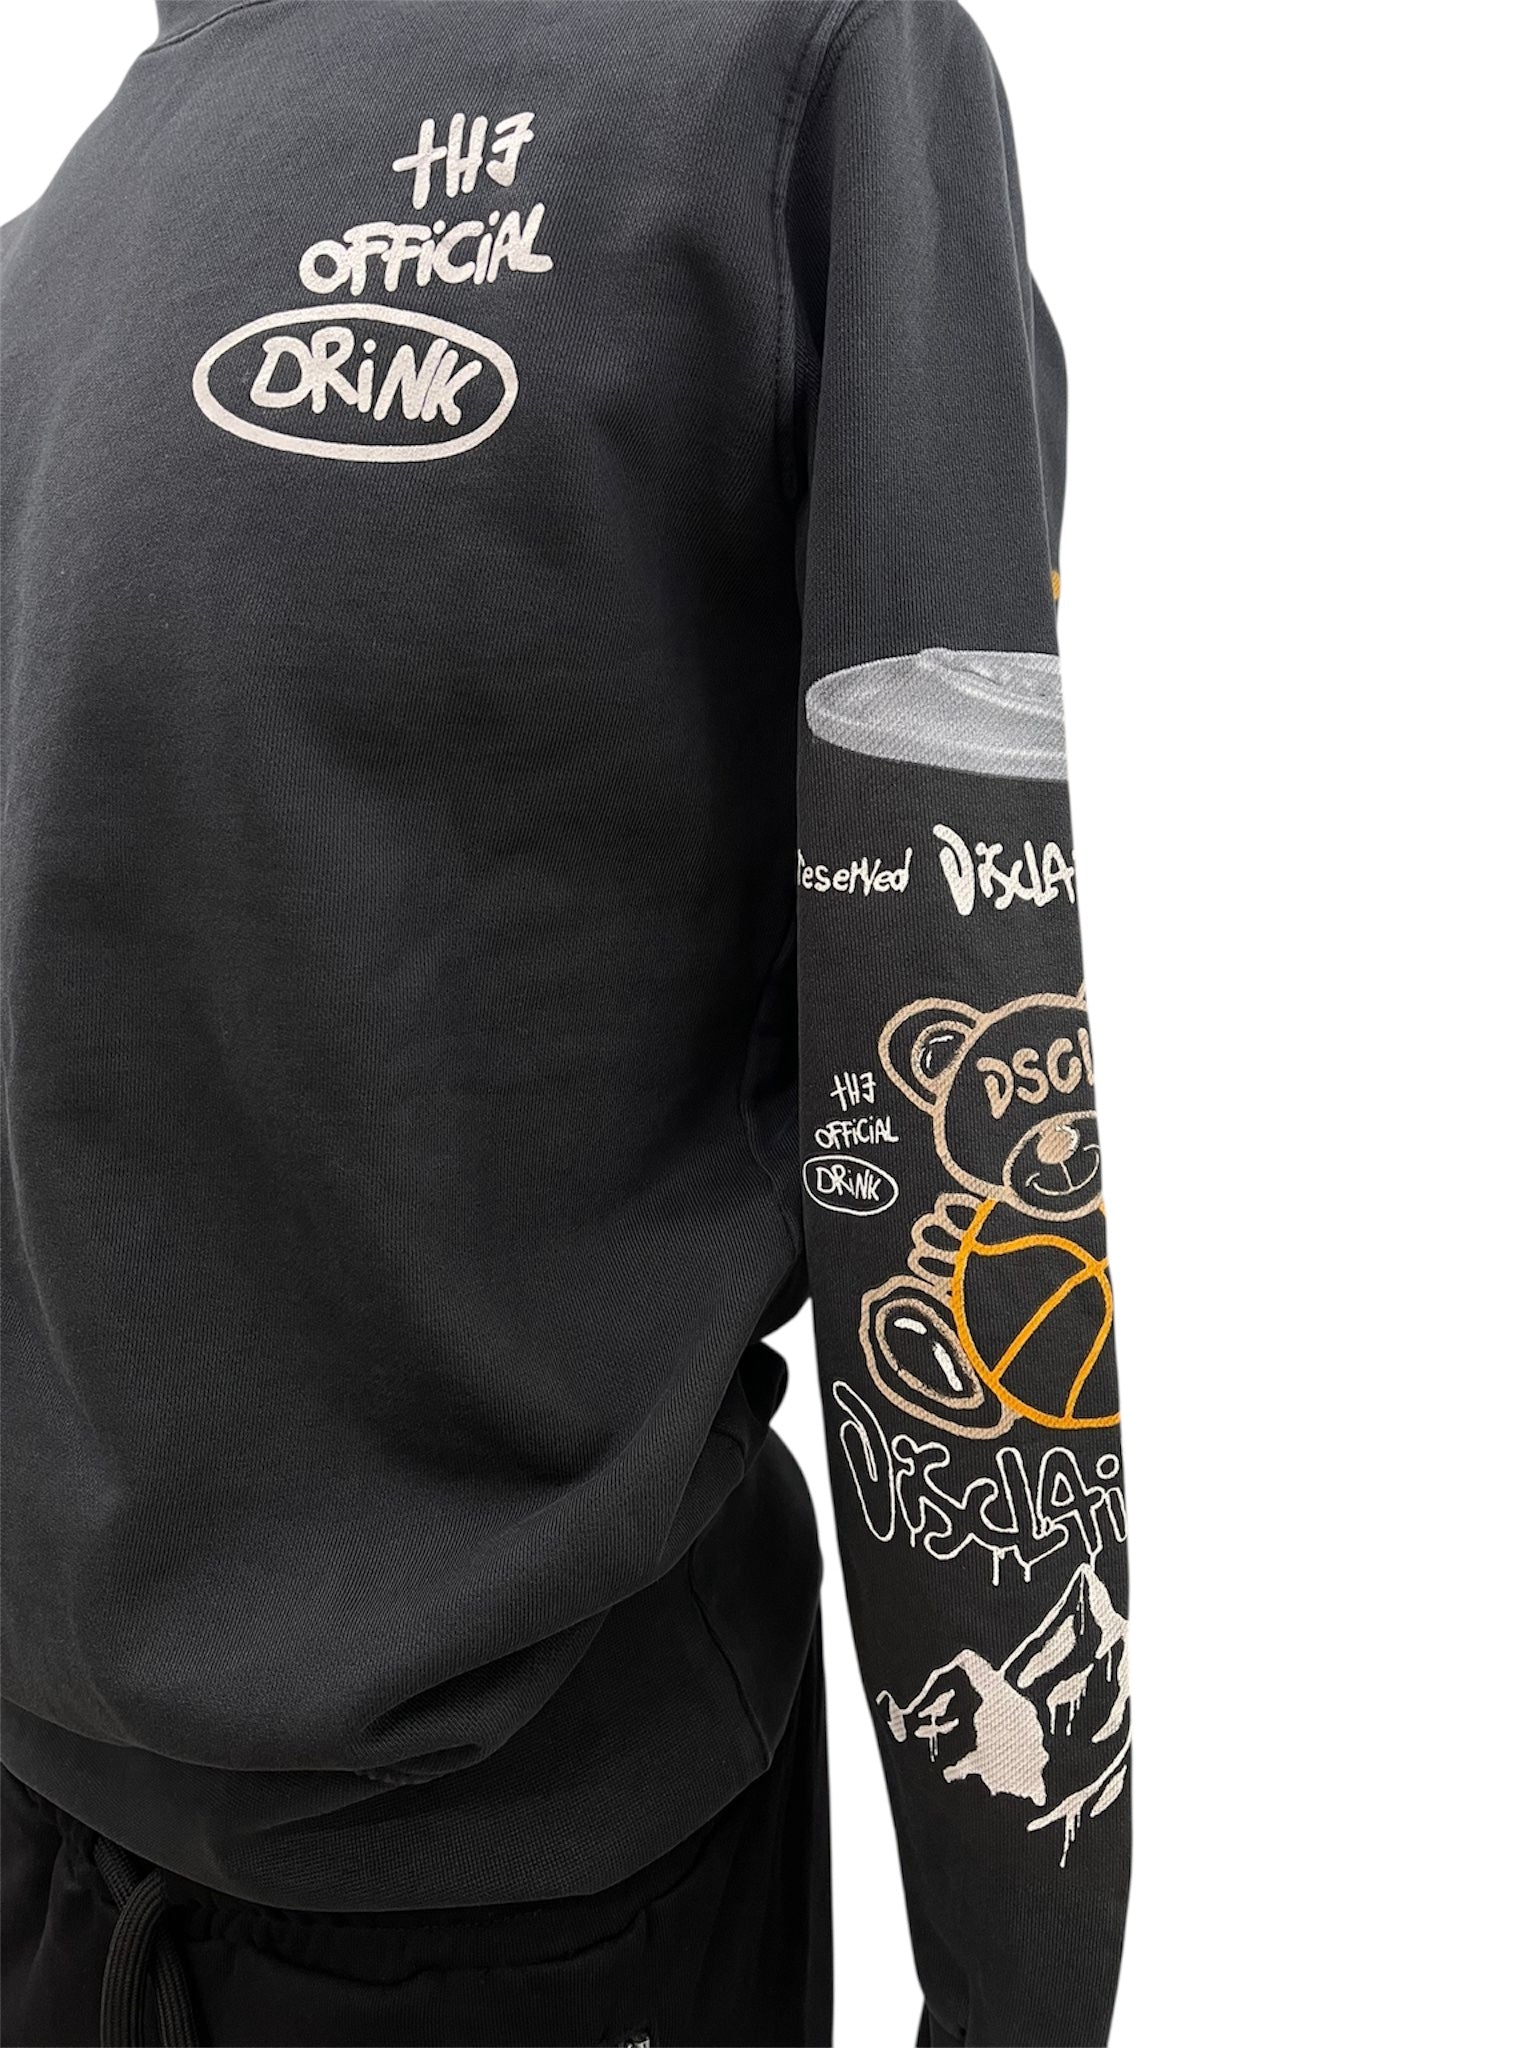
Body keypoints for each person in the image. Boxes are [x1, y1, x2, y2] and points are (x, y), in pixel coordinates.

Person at [0, 2, 1131, 2042]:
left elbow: (943, 1011)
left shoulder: (775, 69)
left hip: (516, 1887)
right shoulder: (54, 234)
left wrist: (1014, 1958)